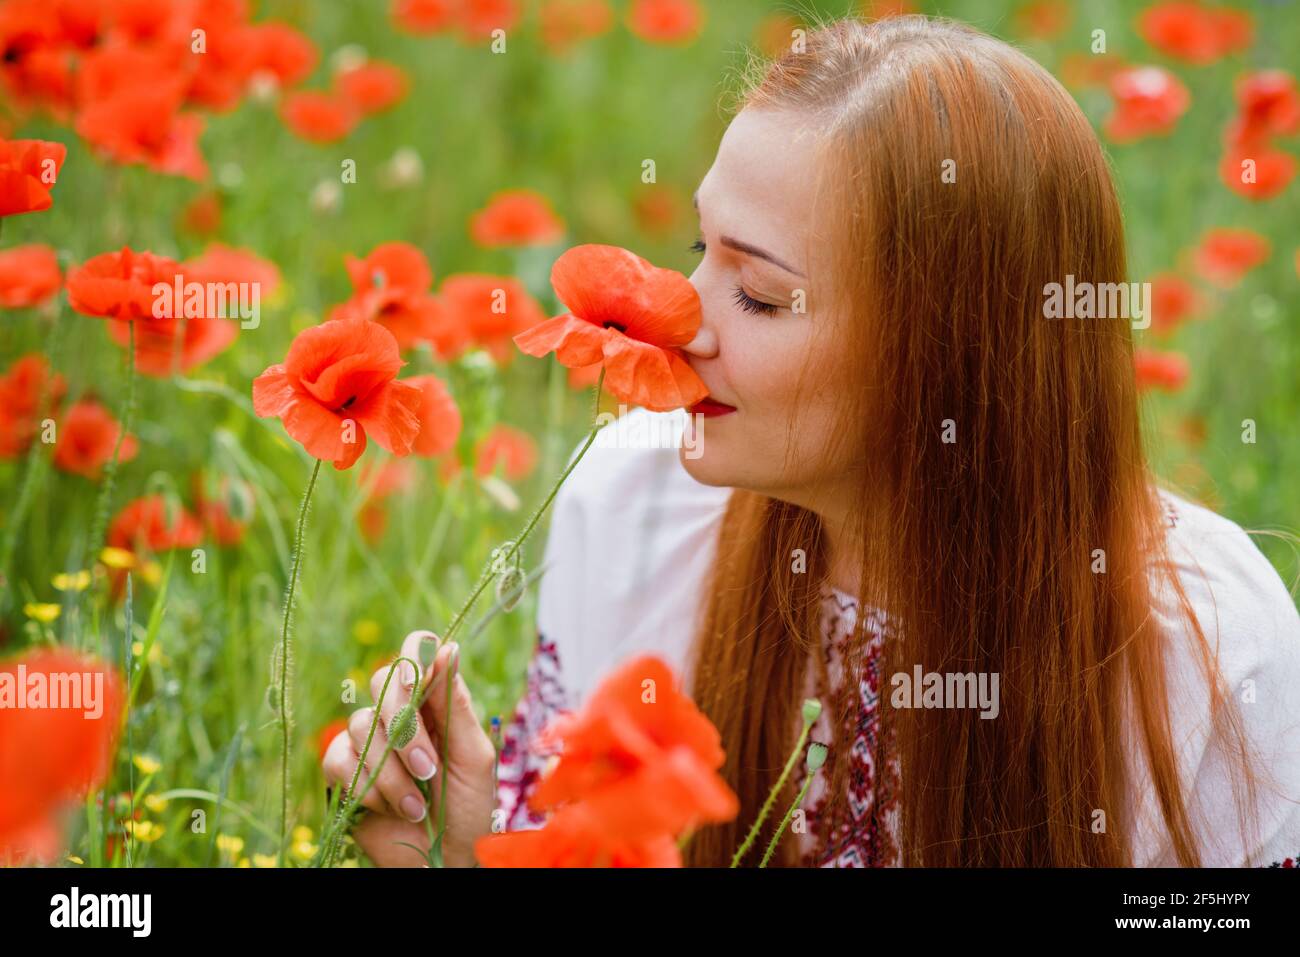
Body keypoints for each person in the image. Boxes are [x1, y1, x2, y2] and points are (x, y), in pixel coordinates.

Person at [322, 14, 1300, 868]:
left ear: (947, 355)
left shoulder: (1203, 651)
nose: (677, 320)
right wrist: (461, 849)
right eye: (698, 250)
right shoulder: (632, 508)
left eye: (758, 293)